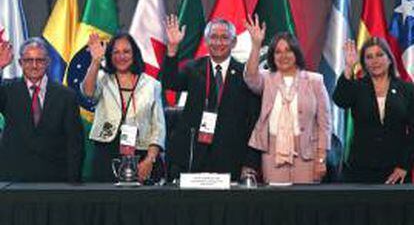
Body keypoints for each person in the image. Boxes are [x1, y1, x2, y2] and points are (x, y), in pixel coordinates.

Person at [162, 15, 260, 181]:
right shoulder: (193, 68)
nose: (218, 43)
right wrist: (172, 49)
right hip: (193, 157)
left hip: (230, 158)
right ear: (206, 41)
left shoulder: (245, 75)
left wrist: (250, 163)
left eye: (224, 38)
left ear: (234, 42)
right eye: (213, 37)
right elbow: (170, 82)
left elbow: (253, 122)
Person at [243, 15, 331, 184]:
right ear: (272, 56)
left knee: (305, 203)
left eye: (288, 50)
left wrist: (321, 158)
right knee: (277, 204)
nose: (283, 56)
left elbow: (324, 124)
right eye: (278, 52)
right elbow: (250, 77)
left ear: (296, 53)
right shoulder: (266, 78)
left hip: (307, 152)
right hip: (272, 152)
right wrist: (256, 45)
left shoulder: (315, 81)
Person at [82, 32, 166, 183]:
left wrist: (149, 160)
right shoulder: (102, 78)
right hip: (106, 151)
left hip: (141, 153)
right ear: (110, 55)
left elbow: (158, 128)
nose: (121, 57)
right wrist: (95, 61)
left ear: (135, 54)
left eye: (126, 52)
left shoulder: (152, 85)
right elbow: (88, 93)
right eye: (116, 52)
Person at [0, 38, 84, 182]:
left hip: (55, 180)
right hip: (13, 180)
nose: (34, 65)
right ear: (20, 63)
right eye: (28, 60)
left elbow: (75, 143)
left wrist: (73, 181)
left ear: (48, 62)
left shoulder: (66, 96)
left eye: (39, 60)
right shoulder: (7, 91)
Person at [333, 37, 414, 184]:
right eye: (369, 57)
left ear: (389, 59)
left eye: (380, 55)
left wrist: (404, 165)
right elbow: (340, 100)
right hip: (360, 170)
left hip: (396, 171)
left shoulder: (407, 89)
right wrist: (349, 67)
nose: (375, 61)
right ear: (364, 63)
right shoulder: (357, 87)